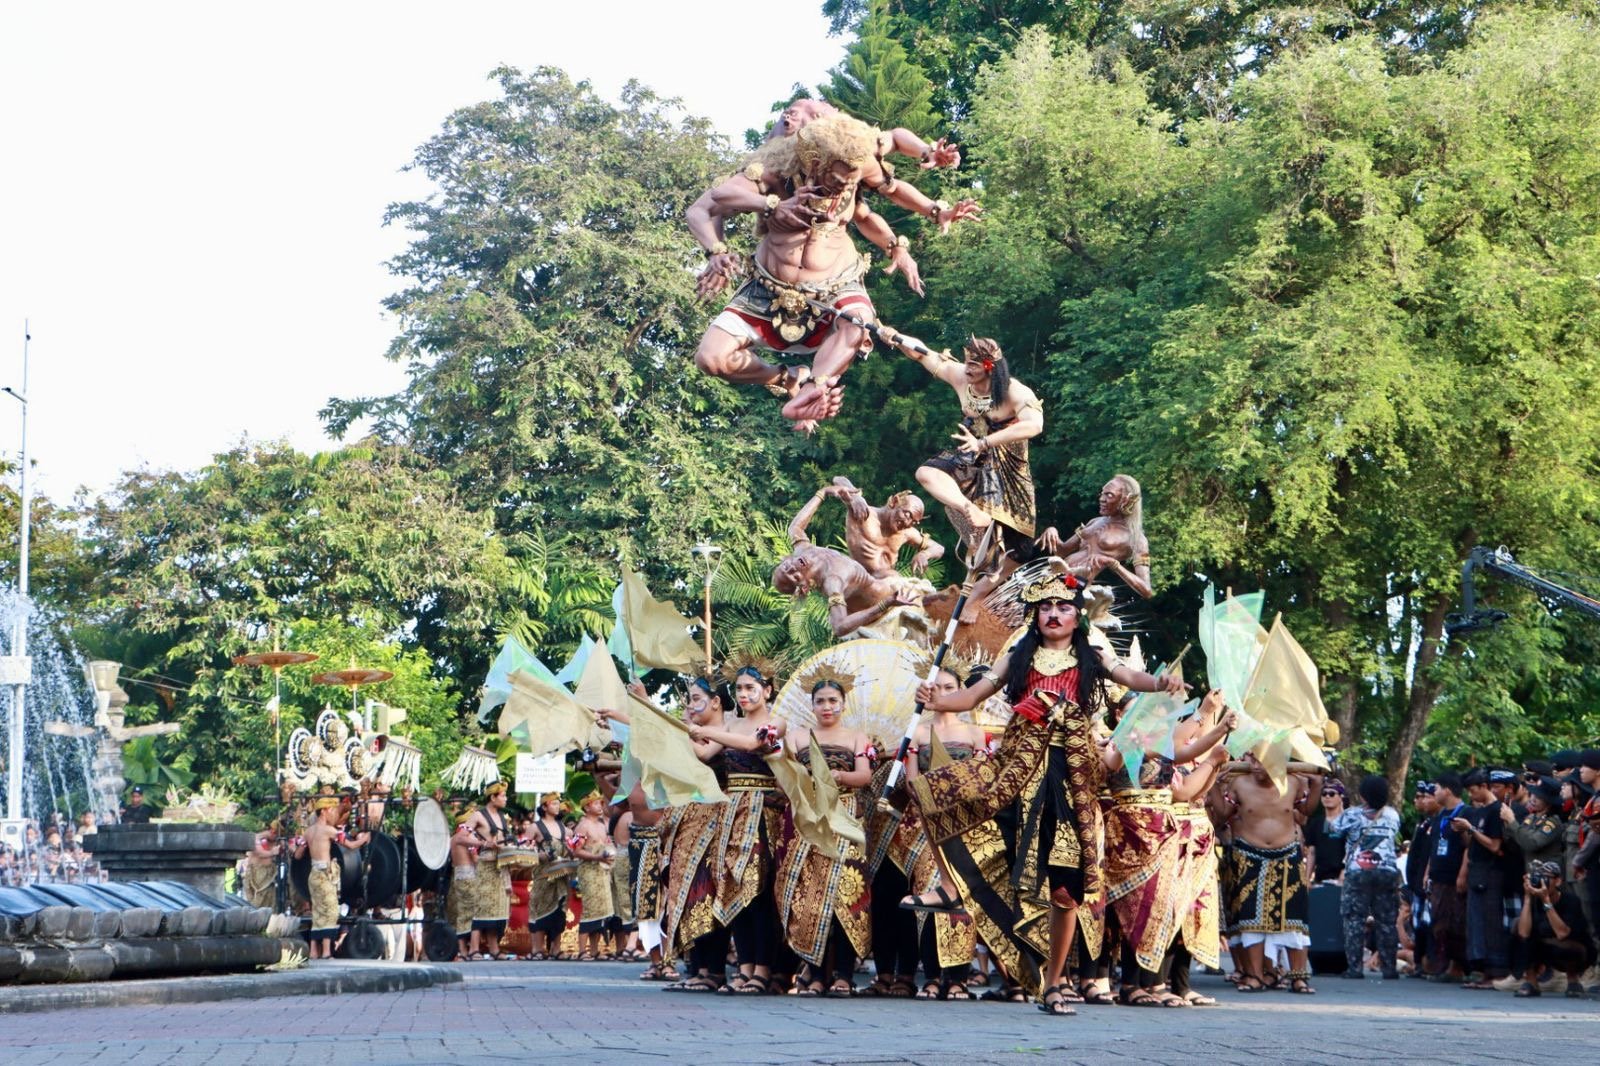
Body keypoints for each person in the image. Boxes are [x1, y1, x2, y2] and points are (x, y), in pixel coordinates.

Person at [898, 568, 1187, 1015]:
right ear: (1035, 615)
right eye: (1046, 607)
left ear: (1077, 616)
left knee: (1065, 891)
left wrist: (1161, 683)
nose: (1054, 614)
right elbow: (972, 696)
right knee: (934, 791)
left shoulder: (1092, 654)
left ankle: (1053, 983)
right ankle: (952, 886)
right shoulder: (1019, 654)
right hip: (1017, 769)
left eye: (1063, 607)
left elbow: (1129, 677)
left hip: (1071, 778)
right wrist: (936, 700)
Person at [689, 110, 978, 430]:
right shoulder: (776, 169)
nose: (845, 188)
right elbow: (718, 197)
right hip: (769, 287)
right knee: (710, 359)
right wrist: (767, 209)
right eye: (837, 180)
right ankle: (783, 379)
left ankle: (812, 391)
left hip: (836, 284)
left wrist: (935, 208)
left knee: (860, 323)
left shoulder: (860, 156)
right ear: (816, 164)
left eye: (851, 181)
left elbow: (893, 162)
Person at [881, 333, 1042, 577]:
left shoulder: (1015, 391)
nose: (967, 369)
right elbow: (923, 354)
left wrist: (984, 442)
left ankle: (998, 579)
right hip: (972, 459)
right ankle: (968, 509)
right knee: (926, 473)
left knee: (1016, 553)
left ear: (990, 367)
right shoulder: (960, 376)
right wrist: (893, 336)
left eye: (974, 365)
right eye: (967, 362)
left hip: (1007, 469)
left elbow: (1035, 425)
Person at [687, 662, 791, 995]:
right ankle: (745, 968)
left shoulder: (777, 722)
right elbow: (704, 754)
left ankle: (763, 968)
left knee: (758, 893)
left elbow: (751, 745)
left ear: (767, 691)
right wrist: (675, 728)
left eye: (750, 688)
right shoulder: (731, 723)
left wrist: (704, 731)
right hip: (732, 813)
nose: (744, 694)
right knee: (733, 887)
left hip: (763, 812)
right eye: (739, 688)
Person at [773, 670, 874, 997]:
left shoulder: (857, 737)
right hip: (807, 819)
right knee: (807, 898)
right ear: (812, 705)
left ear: (843, 703)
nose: (827, 707)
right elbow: (783, 780)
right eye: (820, 701)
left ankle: (844, 974)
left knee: (846, 895)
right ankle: (814, 974)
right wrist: (808, 781)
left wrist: (837, 777)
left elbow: (864, 776)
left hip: (845, 817)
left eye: (833, 700)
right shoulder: (796, 738)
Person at [1214, 753, 1322, 994]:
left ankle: (1298, 977)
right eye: (1252, 759)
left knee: (1294, 921)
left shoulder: (1293, 782)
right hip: (1248, 856)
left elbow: (1306, 811)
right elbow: (1222, 815)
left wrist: (1316, 785)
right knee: (1250, 921)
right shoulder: (1239, 783)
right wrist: (1214, 785)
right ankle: (1255, 976)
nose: (1256, 765)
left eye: (1262, 759)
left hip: (1288, 856)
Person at [787, 477, 944, 581]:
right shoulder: (863, 514)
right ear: (894, 502)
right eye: (907, 515)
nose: (908, 523)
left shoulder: (906, 532)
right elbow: (839, 479)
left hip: (888, 583)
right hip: (860, 580)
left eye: (914, 522)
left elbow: (939, 548)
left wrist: (924, 554)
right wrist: (855, 497)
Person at [770, 540, 924, 638]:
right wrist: (886, 603)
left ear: (788, 559)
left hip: (892, 585)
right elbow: (839, 627)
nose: (792, 568)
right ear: (804, 587)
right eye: (794, 576)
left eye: (786, 566)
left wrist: (824, 496)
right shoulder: (832, 581)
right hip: (892, 607)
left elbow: (794, 527)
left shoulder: (806, 550)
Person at [1035, 476, 1155, 600]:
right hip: (1052, 574)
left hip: (1075, 587)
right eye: (1102, 494)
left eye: (1109, 495)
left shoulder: (1137, 539)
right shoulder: (1094, 522)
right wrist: (1052, 532)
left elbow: (1147, 591)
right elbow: (1062, 551)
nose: (1102, 499)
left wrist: (1114, 564)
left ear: (1126, 500)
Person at [1332, 774, 1402, 980]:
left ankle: (1354, 968)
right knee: (1387, 921)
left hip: (1358, 871)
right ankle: (1389, 968)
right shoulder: (1392, 814)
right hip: (1387, 870)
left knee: (1354, 920)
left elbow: (1333, 830)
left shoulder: (1351, 815)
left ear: (1363, 796)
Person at [293, 795, 369, 958]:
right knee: (331, 911)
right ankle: (326, 951)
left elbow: (298, 855)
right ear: (324, 811)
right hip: (324, 875)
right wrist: (365, 839)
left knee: (317, 912)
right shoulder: (329, 831)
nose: (335, 813)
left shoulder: (308, 832)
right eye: (333, 810)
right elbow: (351, 845)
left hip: (313, 875)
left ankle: (314, 951)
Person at [1454, 767, 1510, 986]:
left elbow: (1495, 846)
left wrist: (1471, 829)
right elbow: (1473, 844)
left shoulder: (1496, 810)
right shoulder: (1478, 811)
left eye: (1473, 790)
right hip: (1476, 870)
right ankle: (1481, 970)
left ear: (1484, 786)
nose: (1471, 795)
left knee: (1490, 923)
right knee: (1476, 923)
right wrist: (1464, 831)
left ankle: (1496, 971)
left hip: (1491, 873)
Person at [1512, 860, 1594, 997]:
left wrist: (1546, 900)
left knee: (1568, 947)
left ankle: (1573, 980)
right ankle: (1531, 981)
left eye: (1546, 878)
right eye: (1539, 877)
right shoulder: (1534, 899)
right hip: (1545, 946)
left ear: (1558, 881)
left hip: (1573, 950)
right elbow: (1523, 933)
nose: (1542, 882)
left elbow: (1562, 933)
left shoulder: (1571, 900)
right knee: (1517, 925)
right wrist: (1527, 897)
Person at [1424, 773, 1470, 982]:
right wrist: (1428, 871)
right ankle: (1442, 963)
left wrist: (1463, 874)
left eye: (1436, 788)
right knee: (1438, 921)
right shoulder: (1440, 816)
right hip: (1438, 877)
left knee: (1455, 923)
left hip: (1455, 877)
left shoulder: (1465, 813)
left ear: (1448, 790)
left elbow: (1468, 847)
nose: (1434, 792)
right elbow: (1435, 846)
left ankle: (1457, 966)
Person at [463, 782, 516, 960]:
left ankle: (494, 949)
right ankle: (474, 949)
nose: (505, 798)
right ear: (493, 797)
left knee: (497, 909)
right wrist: (483, 843)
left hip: (500, 866)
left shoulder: (501, 817)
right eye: (503, 795)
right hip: (486, 866)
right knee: (482, 907)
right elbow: (461, 836)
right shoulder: (478, 815)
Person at [570, 790, 617, 961]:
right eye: (596, 803)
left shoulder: (602, 825)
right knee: (590, 909)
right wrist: (597, 857)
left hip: (602, 871)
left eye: (600, 803)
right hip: (588, 872)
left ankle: (595, 950)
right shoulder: (582, 826)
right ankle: (582, 951)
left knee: (601, 910)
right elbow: (575, 851)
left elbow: (606, 845)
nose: (600, 806)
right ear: (587, 807)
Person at [525, 793, 569, 960]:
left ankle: (556, 948)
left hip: (561, 876)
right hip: (543, 875)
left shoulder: (565, 829)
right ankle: (537, 948)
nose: (557, 806)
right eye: (554, 803)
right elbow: (524, 851)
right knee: (540, 908)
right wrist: (539, 855)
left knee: (559, 910)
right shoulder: (534, 827)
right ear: (544, 807)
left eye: (558, 803)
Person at [1305, 778, 1349, 884]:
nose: (1327, 796)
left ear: (1341, 797)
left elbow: (1352, 851)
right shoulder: (1315, 823)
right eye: (1324, 794)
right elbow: (1311, 852)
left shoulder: (1348, 822)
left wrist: (1344, 872)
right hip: (1320, 878)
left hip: (1344, 879)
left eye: (1332, 794)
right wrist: (1306, 879)